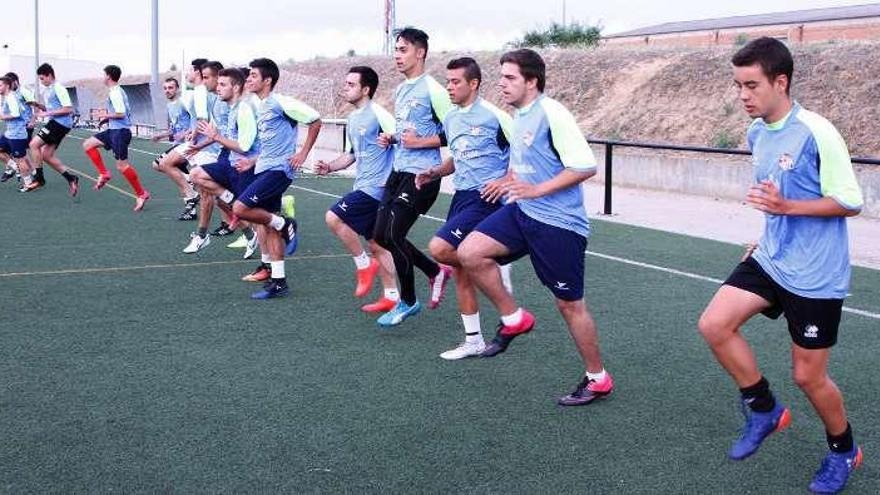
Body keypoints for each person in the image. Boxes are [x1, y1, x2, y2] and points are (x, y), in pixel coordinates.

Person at [697, 37, 863, 494]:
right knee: (714, 324)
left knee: (809, 376)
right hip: (772, 257)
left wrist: (787, 207)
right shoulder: (756, 133)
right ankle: (765, 408)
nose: (743, 95)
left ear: (781, 81)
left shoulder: (817, 130)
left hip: (816, 273)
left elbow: (851, 201)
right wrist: (768, 230)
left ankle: (844, 450)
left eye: (751, 85)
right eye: (738, 85)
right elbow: (775, 196)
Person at [458, 48, 614, 406]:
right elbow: (527, 163)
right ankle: (514, 318)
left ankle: (598, 378)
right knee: (469, 252)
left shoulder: (551, 113)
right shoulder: (519, 116)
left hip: (559, 224)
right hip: (523, 212)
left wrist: (536, 189)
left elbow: (585, 166)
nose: (502, 84)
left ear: (532, 81)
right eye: (501, 77)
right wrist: (508, 180)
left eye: (510, 78)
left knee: (569, 305)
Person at [414, 57, 514, 359]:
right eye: (448, 82)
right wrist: (434, 172)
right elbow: (456, 158)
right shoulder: (452, 119)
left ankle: (491, 266)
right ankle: (474, 340)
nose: (450, 87)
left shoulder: (496, 117)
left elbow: (527, 157)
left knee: (440, 248)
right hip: (460, 196)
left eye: (456, 82)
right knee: (461, 271)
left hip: (487, 198)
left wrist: (506, 180)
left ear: (474, 84)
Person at [373, 27, 453, 327]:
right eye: (396, 49)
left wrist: (420, 143)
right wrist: (392, 137)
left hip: (423, 175)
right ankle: (434, 271)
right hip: (398, 170)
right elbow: (410, 131)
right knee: (380, 236)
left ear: (420, 52)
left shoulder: (433, 89)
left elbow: (451, 133)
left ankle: (408, 302)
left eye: (403, 49)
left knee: (393, 235)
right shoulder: (401, 89)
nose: (397, 55)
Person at [314, 66, 399, 313]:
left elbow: (400, 140)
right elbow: (351, 155)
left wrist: (392, 179)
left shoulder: (379, 114)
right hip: (363, 184)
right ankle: (392, 296)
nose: (346, 88)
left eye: (351, 84)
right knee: (377, 244)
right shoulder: (352, 119)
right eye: (346, 83)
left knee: (334, 216)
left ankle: (363, 265)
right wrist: (328, 166)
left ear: (366, 89)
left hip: (376, 189)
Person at [236, 57, 320, 299]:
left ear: (267, 80)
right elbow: (271, 141)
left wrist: (302, 153)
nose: (248, 79)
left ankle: (287, 224)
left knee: (240, 208)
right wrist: (253, 161)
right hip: (264, 166)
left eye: (253, 75)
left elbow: (315, 120)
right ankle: (279, 281)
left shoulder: (280, 101)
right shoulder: (259, 105)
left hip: (279, 170)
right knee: (268, 224)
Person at [183, 67, 260, 259]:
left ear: (235, 87)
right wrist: (200, 145)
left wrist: (214, 138)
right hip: (228, 156)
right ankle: (204, 235)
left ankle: (276, 227)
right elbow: (219, 132)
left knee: (258, 215)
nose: (216, 86)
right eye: (215, 82)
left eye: (219, 82)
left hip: (241, 161)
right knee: (199, 178)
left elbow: (243, 145)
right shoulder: (227, 105)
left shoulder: (244, 107)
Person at [81, 65, 150, 211]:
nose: (102, 77)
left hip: (120, 133)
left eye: (103, 74)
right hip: (113, 130)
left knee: (122, 166)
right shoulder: (115, 91)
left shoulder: (116, 92)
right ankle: (104, 173)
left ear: (108, 76)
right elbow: (119, 113)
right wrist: (107, 120)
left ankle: (142, 194)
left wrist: (104, 115)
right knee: (88, 144)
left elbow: (121, 113)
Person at [23, 64, 79, 195]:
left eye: (42, 78)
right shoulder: (48, 89)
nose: (41, 81)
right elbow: (52, 108)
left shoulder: (59, 88)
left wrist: (46, 114)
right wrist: (37, 105)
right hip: (56, 122)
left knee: (33, 144)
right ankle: (71, 178)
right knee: (46, 156)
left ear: (49, 75)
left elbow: (68, 109)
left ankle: (39, 179)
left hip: (60, 123)